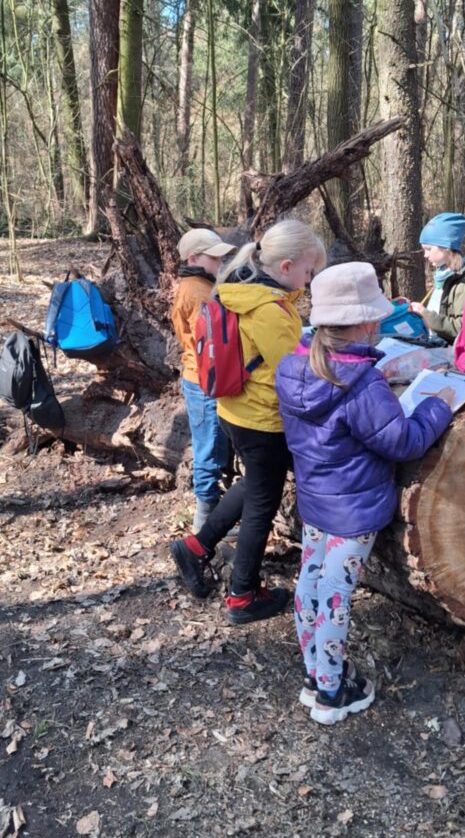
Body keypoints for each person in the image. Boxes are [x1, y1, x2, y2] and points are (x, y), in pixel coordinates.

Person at [275, 262, 453, 725]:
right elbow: (403, 442)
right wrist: (436, 408)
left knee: (311, 583)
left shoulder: (293, 365)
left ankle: (314, 674)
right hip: (355, 510)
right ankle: (332, 692)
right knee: (336, 595)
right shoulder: (361, 383)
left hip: (317, 499)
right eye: (374, 317)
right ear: (364, 323)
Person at [170, 219, 326, 625]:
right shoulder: (267, 309)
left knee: (255, 483)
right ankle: (242, 595)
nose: (309, 281)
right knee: (262, 504)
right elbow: (294, 373)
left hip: (235, 409)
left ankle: (196, 547)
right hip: (262, 419)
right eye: (308, 271)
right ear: (286, 267)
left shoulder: (242, 288)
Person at [170, 228, 237, 530]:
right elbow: (210, 343)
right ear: (193, 259)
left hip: (201, 378)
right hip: (203, 381)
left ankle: (214, 513)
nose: (220, 263)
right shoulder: (197, 291)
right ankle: (205, 522)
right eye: (214, 258)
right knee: (208, 448)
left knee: (213, 444)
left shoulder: (199, 284)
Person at [408, 212, 465, 343]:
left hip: (452, 350)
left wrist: (425, 314)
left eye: (428, 249)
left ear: (446, 247)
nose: (425, 255)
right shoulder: (443, 276)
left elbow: (461, 328)